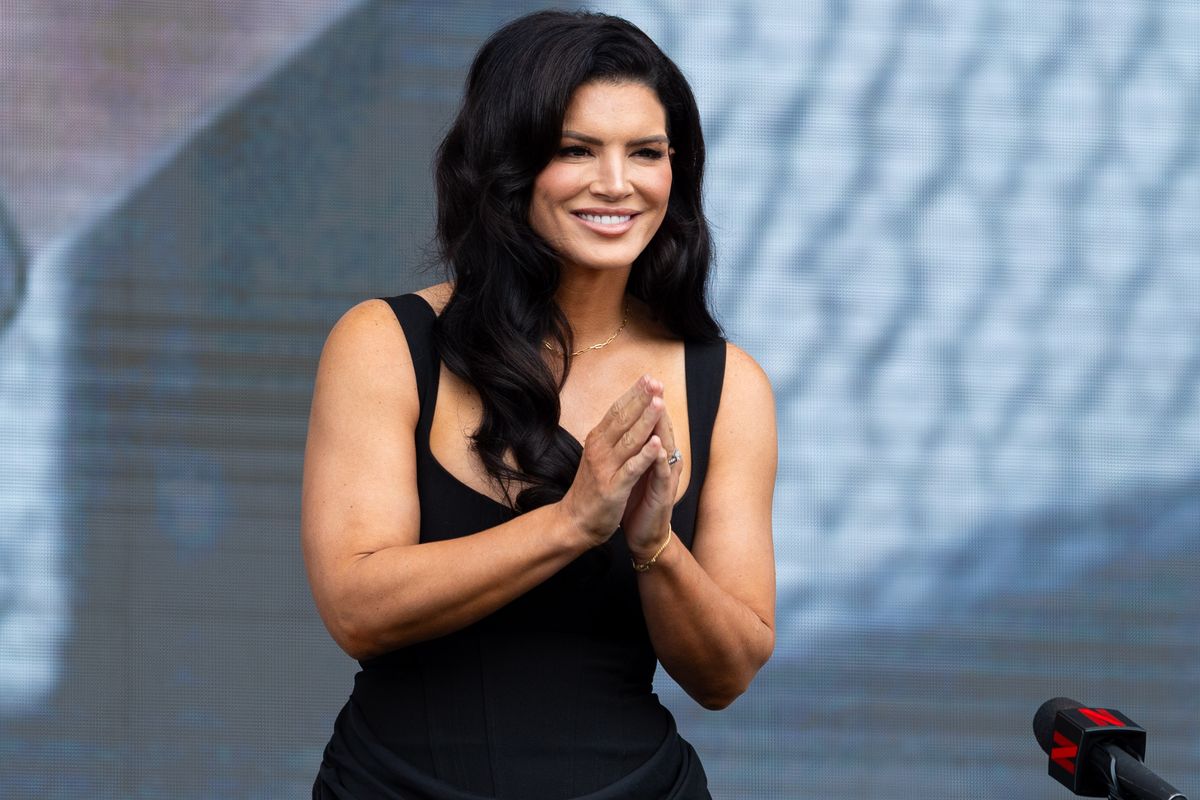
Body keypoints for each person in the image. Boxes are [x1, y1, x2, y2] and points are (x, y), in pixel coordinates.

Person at [302, 10, 777, 799]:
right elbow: (357, 609)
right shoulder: (385, 343)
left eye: (646, 153)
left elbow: (726, 674)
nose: (617, 183)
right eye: (576, 150)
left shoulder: (727, 384)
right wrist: (571, 523)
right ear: (508, 165)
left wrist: (655, 542)